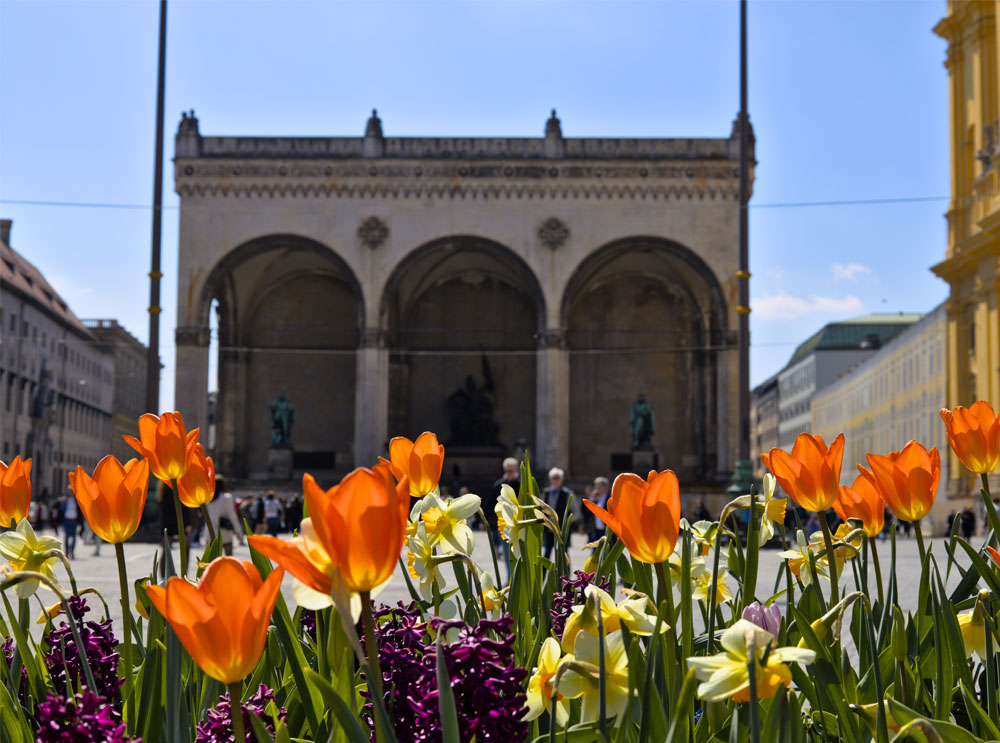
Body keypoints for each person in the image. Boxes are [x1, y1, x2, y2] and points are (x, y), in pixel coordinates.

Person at [487, 457, 520, 578]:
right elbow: (490, 504)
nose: (509, 473)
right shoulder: (498, 485)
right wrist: (488, 521)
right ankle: (510, 577)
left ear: (516, 470)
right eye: (507, 470)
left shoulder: (521, 485)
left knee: (519, 553)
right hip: (504, 525)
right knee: (507, 553)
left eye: (511, 471)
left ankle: (517, 578)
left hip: (518, 524)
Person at [203, 476, 244, 556]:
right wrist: (239, 532)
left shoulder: (207, 497)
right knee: (228, 558)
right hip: (224, 531)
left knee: (211, 560)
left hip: (210, 531)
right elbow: (232, 516)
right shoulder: (226, 497)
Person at [542, 467, 573, 561]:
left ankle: (566, 575)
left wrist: (566, 523)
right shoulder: (545, 493)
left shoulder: (567, 493)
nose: (555, 480)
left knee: (564, 554)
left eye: (557, 478)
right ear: (550, 479)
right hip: (549, 530)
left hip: (562, 531)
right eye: (553, 478)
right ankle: (542, 575)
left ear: (562, 479)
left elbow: (576, 512)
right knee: (546, 553)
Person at [588, 477, 611, 543]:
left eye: (599, 487)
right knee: (595, 551)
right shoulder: (595, 499)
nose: (597, 490)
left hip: (607, 530)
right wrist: (592, 499)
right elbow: (588, 513)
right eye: (596, 487)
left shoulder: (610, 498)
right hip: (596, 530)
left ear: (605, 487)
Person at [60, 492, 80, 560]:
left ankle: (72, 552)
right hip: (67, 520)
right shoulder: (65, 499)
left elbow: (79, 507)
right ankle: (66, 553)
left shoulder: (76, 499)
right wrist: (62, 501)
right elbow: (61, 508)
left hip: (74, 520)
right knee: (66, 537)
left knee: (74, 538)